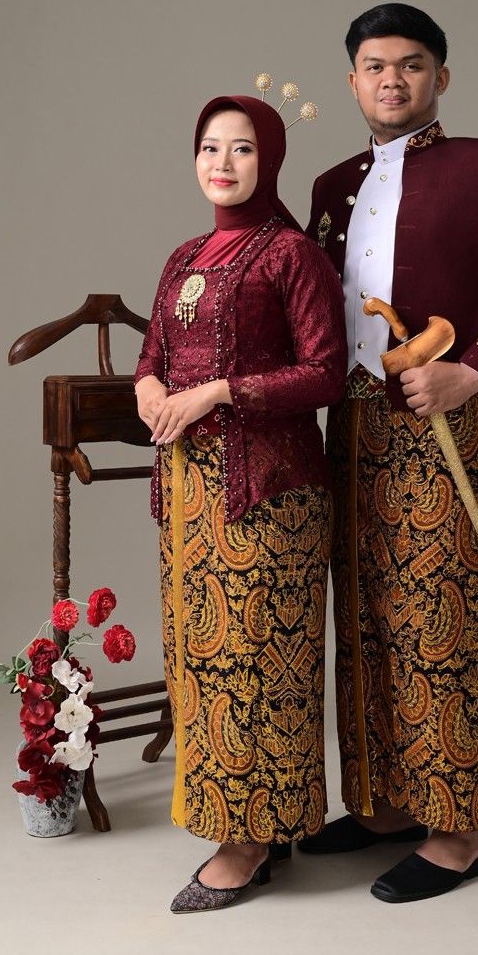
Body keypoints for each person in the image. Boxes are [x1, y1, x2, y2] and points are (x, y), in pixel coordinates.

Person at [301, 3, 478, 902]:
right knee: (366, 615)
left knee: (440, 617)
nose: (393, 80)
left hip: (445, 418)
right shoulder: (331, 184)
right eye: (375, 66)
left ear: (441, 78)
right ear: (353, 82)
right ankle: (387, 806)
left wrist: (477, 371)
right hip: (350, 423)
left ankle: (459, 832)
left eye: (412, 64)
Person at [134, 93, 346, 912]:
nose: (222, 163)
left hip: (269, 492)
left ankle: (247, 841)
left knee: (255, 660)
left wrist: (219, 391)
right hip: (189, 493)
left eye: (243, 148)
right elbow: (153, 356)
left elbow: (324, 374)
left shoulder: (292, 254)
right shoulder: (184, 256)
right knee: (200, 660)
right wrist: (151, 389)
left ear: (272, 160)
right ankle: (256, 826)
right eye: (210, 147)